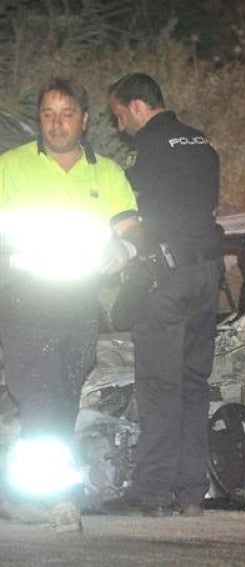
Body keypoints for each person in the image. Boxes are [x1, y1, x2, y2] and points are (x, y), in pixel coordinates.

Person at [0, 77, 139, 532]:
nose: (56, 124)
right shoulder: (10, 168)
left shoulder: (108, 173)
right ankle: (59, 497)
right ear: (39, 119)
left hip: (80, 308)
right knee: (37, 398)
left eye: (66, 114)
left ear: (84, 118)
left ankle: (23, 492)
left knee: (61, 404)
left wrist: (126, 251)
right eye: (47, 114)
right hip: (25, 305)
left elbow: (130, 228)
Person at [106, 73, 222, 517]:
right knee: (194, 385)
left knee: (158, 385)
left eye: (119, 116)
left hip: (167, 278)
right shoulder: (201, 142)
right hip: (207, 274)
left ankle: (153, 492)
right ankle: (192, 492)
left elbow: (137, 219)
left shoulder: (146, 149)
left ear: (137, 106)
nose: (119, 127)